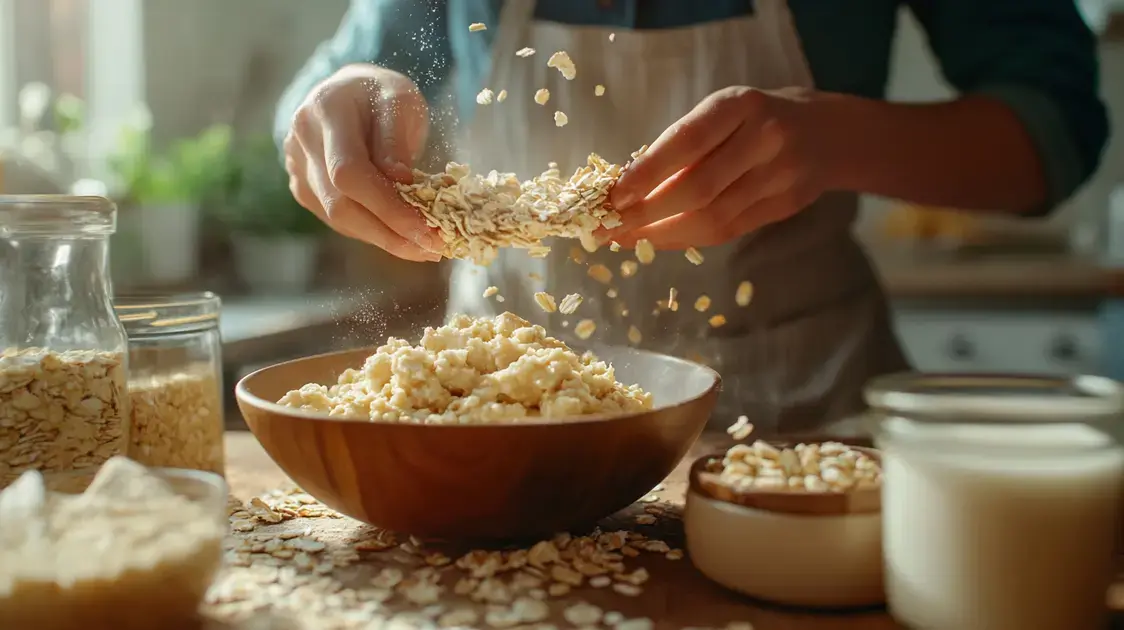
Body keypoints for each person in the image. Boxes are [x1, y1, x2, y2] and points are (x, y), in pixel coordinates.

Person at [277, 0, 1108, 436]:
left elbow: (1058, 131)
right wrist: (333, 110)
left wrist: (839, 139)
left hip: (797, 417)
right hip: (503, 417)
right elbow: (321, 91)